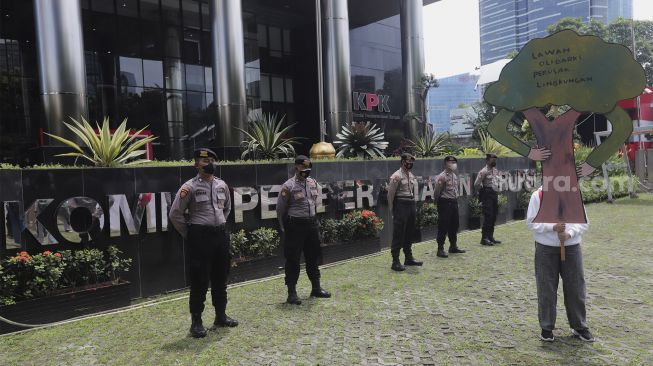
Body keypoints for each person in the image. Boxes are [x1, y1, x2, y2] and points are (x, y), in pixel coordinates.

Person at [169, 148, 238, 338]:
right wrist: (190, 234)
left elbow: (227, 209)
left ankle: (221, 316)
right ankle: (196, 322)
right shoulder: (189, 187)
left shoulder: (222, 185)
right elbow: (175, 214)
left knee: (220, 276)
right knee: (199, 280)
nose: (209, 163)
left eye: (212, 160)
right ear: (196, 164)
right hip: (200, 237)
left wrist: (219, 225)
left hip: (220, 236)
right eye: (204, 160)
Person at [527, 186, 594, 342]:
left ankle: (579, 326)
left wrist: (569, 233)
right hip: (545, 248)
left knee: (576, 287)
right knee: (546, 287)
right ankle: (546, 327)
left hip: (572, 247)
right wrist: (552, 227)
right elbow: (531, 222)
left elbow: (583, 222)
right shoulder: (539, 195)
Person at [276, 155, 331, 305]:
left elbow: (314, 201)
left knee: (313, 257)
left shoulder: (313, 183)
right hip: (295, 226)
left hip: (311, 224)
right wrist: (283, 226)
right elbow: (280, 209)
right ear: (296, 167)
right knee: (293, 259)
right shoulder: (288, 186)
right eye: (303, 168)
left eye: (308, 169)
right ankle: (292, 293)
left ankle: (316, 288)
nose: (305, 171)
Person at [386, 152, 423, 271]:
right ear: (402, 162)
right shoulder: (396, 176)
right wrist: (393, 210)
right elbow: (390, 195)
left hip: (410, 204)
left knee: (409, 232)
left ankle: (408, 257)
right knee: (399, 233)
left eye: (412, 162)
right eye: (408, 162)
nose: (410, 164)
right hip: (400, 205)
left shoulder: (411, 175)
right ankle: (395, 261)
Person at [434, 156, 466, 258]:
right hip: (444, 202)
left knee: (454, 225)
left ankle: (453, 246)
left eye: (454, 162)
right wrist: (437, 202)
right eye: (450, 161)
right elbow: (436, 192)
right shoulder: (442, 176)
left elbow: (455, 190)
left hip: (453, 202)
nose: (453, 163)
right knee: (443, 225)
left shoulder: (454, 176)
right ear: (445, 163)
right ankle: (440, 249)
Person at [475, 153, 502, 246]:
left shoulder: (495, 170)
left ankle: (490, 237)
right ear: (487, 161)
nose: (494, 161)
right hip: (487, 194)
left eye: (495, 159)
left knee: (494, 216)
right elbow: (476, 184)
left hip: (494, 194)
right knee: (488, 216)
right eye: (492, 159)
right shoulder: (483, 171)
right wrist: (482, 191)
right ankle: (484, 238)